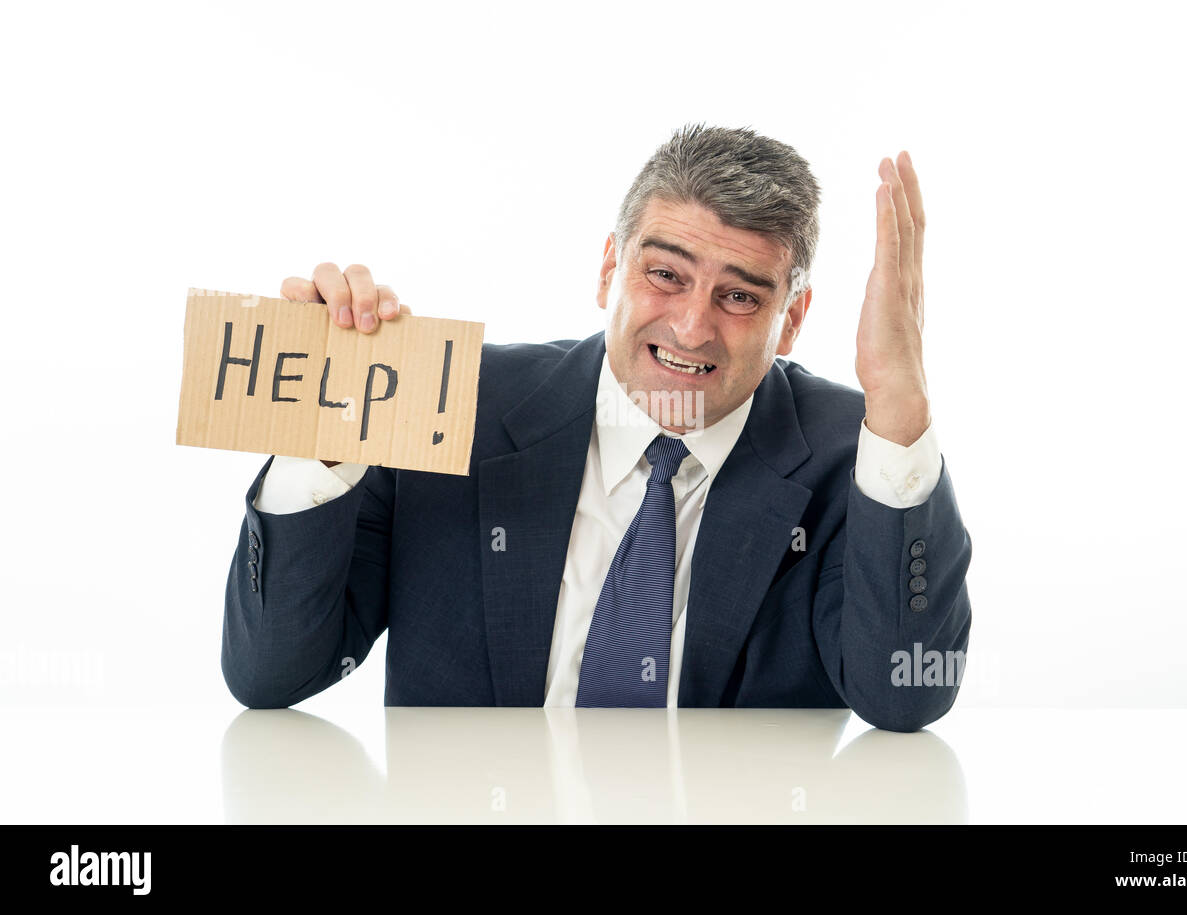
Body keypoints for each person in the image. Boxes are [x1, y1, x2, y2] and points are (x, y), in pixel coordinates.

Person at [222, 123, 972, 731]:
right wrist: (317, 448)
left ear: (793, 320)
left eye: (740, 297)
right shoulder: (454, 408)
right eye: (666, 274)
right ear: (609, 269)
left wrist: (902, 406)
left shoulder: (856, 452)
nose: (691, 325)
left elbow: (902, 696)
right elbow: (270, 675)